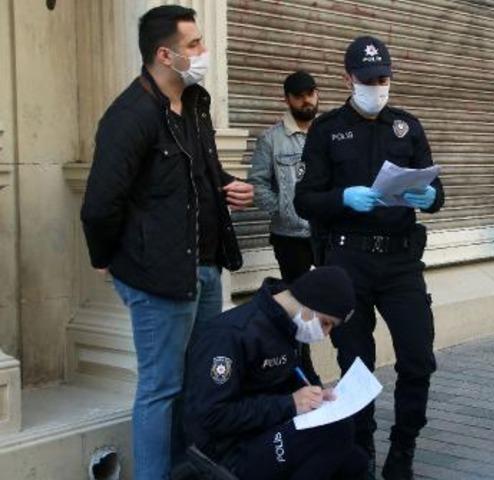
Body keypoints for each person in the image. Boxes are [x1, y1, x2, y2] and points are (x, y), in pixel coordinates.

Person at [79, 5, 253, 479]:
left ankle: (187, 472)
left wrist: (230, 184)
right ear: (164, 54)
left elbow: (199, 173)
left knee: (198, 382)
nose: (204, 52)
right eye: (194, 45)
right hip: (157, 277)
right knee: (161, 387)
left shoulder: (195, 103)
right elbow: (99, 205)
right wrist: (104, 259)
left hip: (205, 267)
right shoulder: (128, 116)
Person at [294, 35, 444, 480]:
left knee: (418, 356)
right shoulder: (326, 130)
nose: (377, 87)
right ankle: (361, 447)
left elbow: (436, 194)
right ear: (348, 79)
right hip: (348, 263)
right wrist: (343, 197)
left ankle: (404, 448)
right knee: (355, 362)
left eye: (383, 78)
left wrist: (429, 195)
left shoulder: (407, 126)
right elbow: (305, 200)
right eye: (367, 79)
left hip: (400, 261)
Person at [183, 267, 368, 480]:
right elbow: (210, 415)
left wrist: (317, 395)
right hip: (229, 450)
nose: (325, 334)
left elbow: (297, 376)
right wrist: (290, 404)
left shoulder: (291, 329)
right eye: (326, 323)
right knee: (338, 432)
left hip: (267, 430)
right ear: (310, 302)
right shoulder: (230, 334)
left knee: (355, 461)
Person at [247, 71, 320, 283]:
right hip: (289, 238)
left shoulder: (328, 133)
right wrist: (283, 209)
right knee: (296, 299)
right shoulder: (270, 140)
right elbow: (256, 184)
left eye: (310, 93)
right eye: (299, 96)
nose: (306, 100)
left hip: (326, 232)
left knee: (334, 295)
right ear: (286, 99)